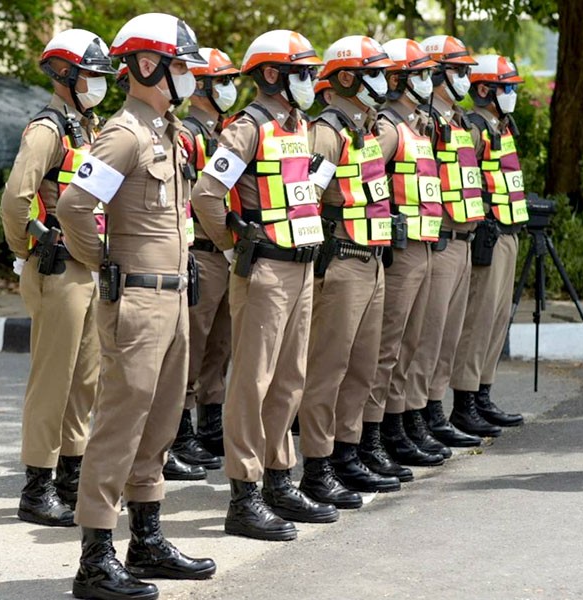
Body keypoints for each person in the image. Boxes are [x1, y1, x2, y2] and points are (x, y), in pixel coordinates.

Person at [57, 13, 216, 599]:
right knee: (119, 426)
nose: (188, 77)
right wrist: (103, 264)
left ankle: (145, 539)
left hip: (173, 298)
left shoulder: (167, 131)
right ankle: (94, 559)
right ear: (147, 66)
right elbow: (74, 206)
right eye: (179, 66)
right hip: (139, 299)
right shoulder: (124, 133)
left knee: (159, 423)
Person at [190, 29, 338, 541]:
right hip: (266, 270)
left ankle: (278, 478)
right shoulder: (247, 128)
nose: (312, 81)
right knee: (251, 383)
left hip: (300, 267)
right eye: (302, 72)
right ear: (272, 74)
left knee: (289, 379)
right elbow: (207, 195)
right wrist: (233, 248)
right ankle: (244, 494)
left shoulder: (296, 125)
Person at [0, 28, 115, 528]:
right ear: (65, 74)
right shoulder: (47, 128)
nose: (99, 84)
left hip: (86, 266)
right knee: (53, 379)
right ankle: (36, 486)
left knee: (84, 380)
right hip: (57, 267)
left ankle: (71, 474)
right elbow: (14, 200)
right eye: (90, 75)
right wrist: (26, 251)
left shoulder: (87, 129)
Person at [296, 35, 400, 509]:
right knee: (328, 369)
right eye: (374, 73)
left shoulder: (364, 128)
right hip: (340, 261)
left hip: (371, 260)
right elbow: (306, 200)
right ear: (345, 79)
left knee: (361, 367)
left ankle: (346, 453)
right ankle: (317, 468)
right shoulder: (326, 131)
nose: (383, 82)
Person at [394, 35, 494, 453]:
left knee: (444, 336)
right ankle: (412, 416)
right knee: (421, 338)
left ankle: (432, 409)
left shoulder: (456, 121)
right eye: (456, 70)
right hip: (433, 240)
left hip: (460, 236)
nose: (465, 78)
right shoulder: (419, 123)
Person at [166, 47, 241, 480]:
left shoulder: (222, 131)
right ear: (203, 87)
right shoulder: (187, 135)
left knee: (220, 344)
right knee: (190, 346)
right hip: (202, 253)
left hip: (226, 249)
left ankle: (210, 423)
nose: (232, 90)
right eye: (224, 82)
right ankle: (178, 431)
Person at [449, 55, 529, 430]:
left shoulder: (502, 125)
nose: (512, 94)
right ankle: (464, 402)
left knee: (497, 319)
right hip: (489, 234)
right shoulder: (474, 127)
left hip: (509, 231)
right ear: (484, 90)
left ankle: (483, 394)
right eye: (507, 87)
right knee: (478, 319)